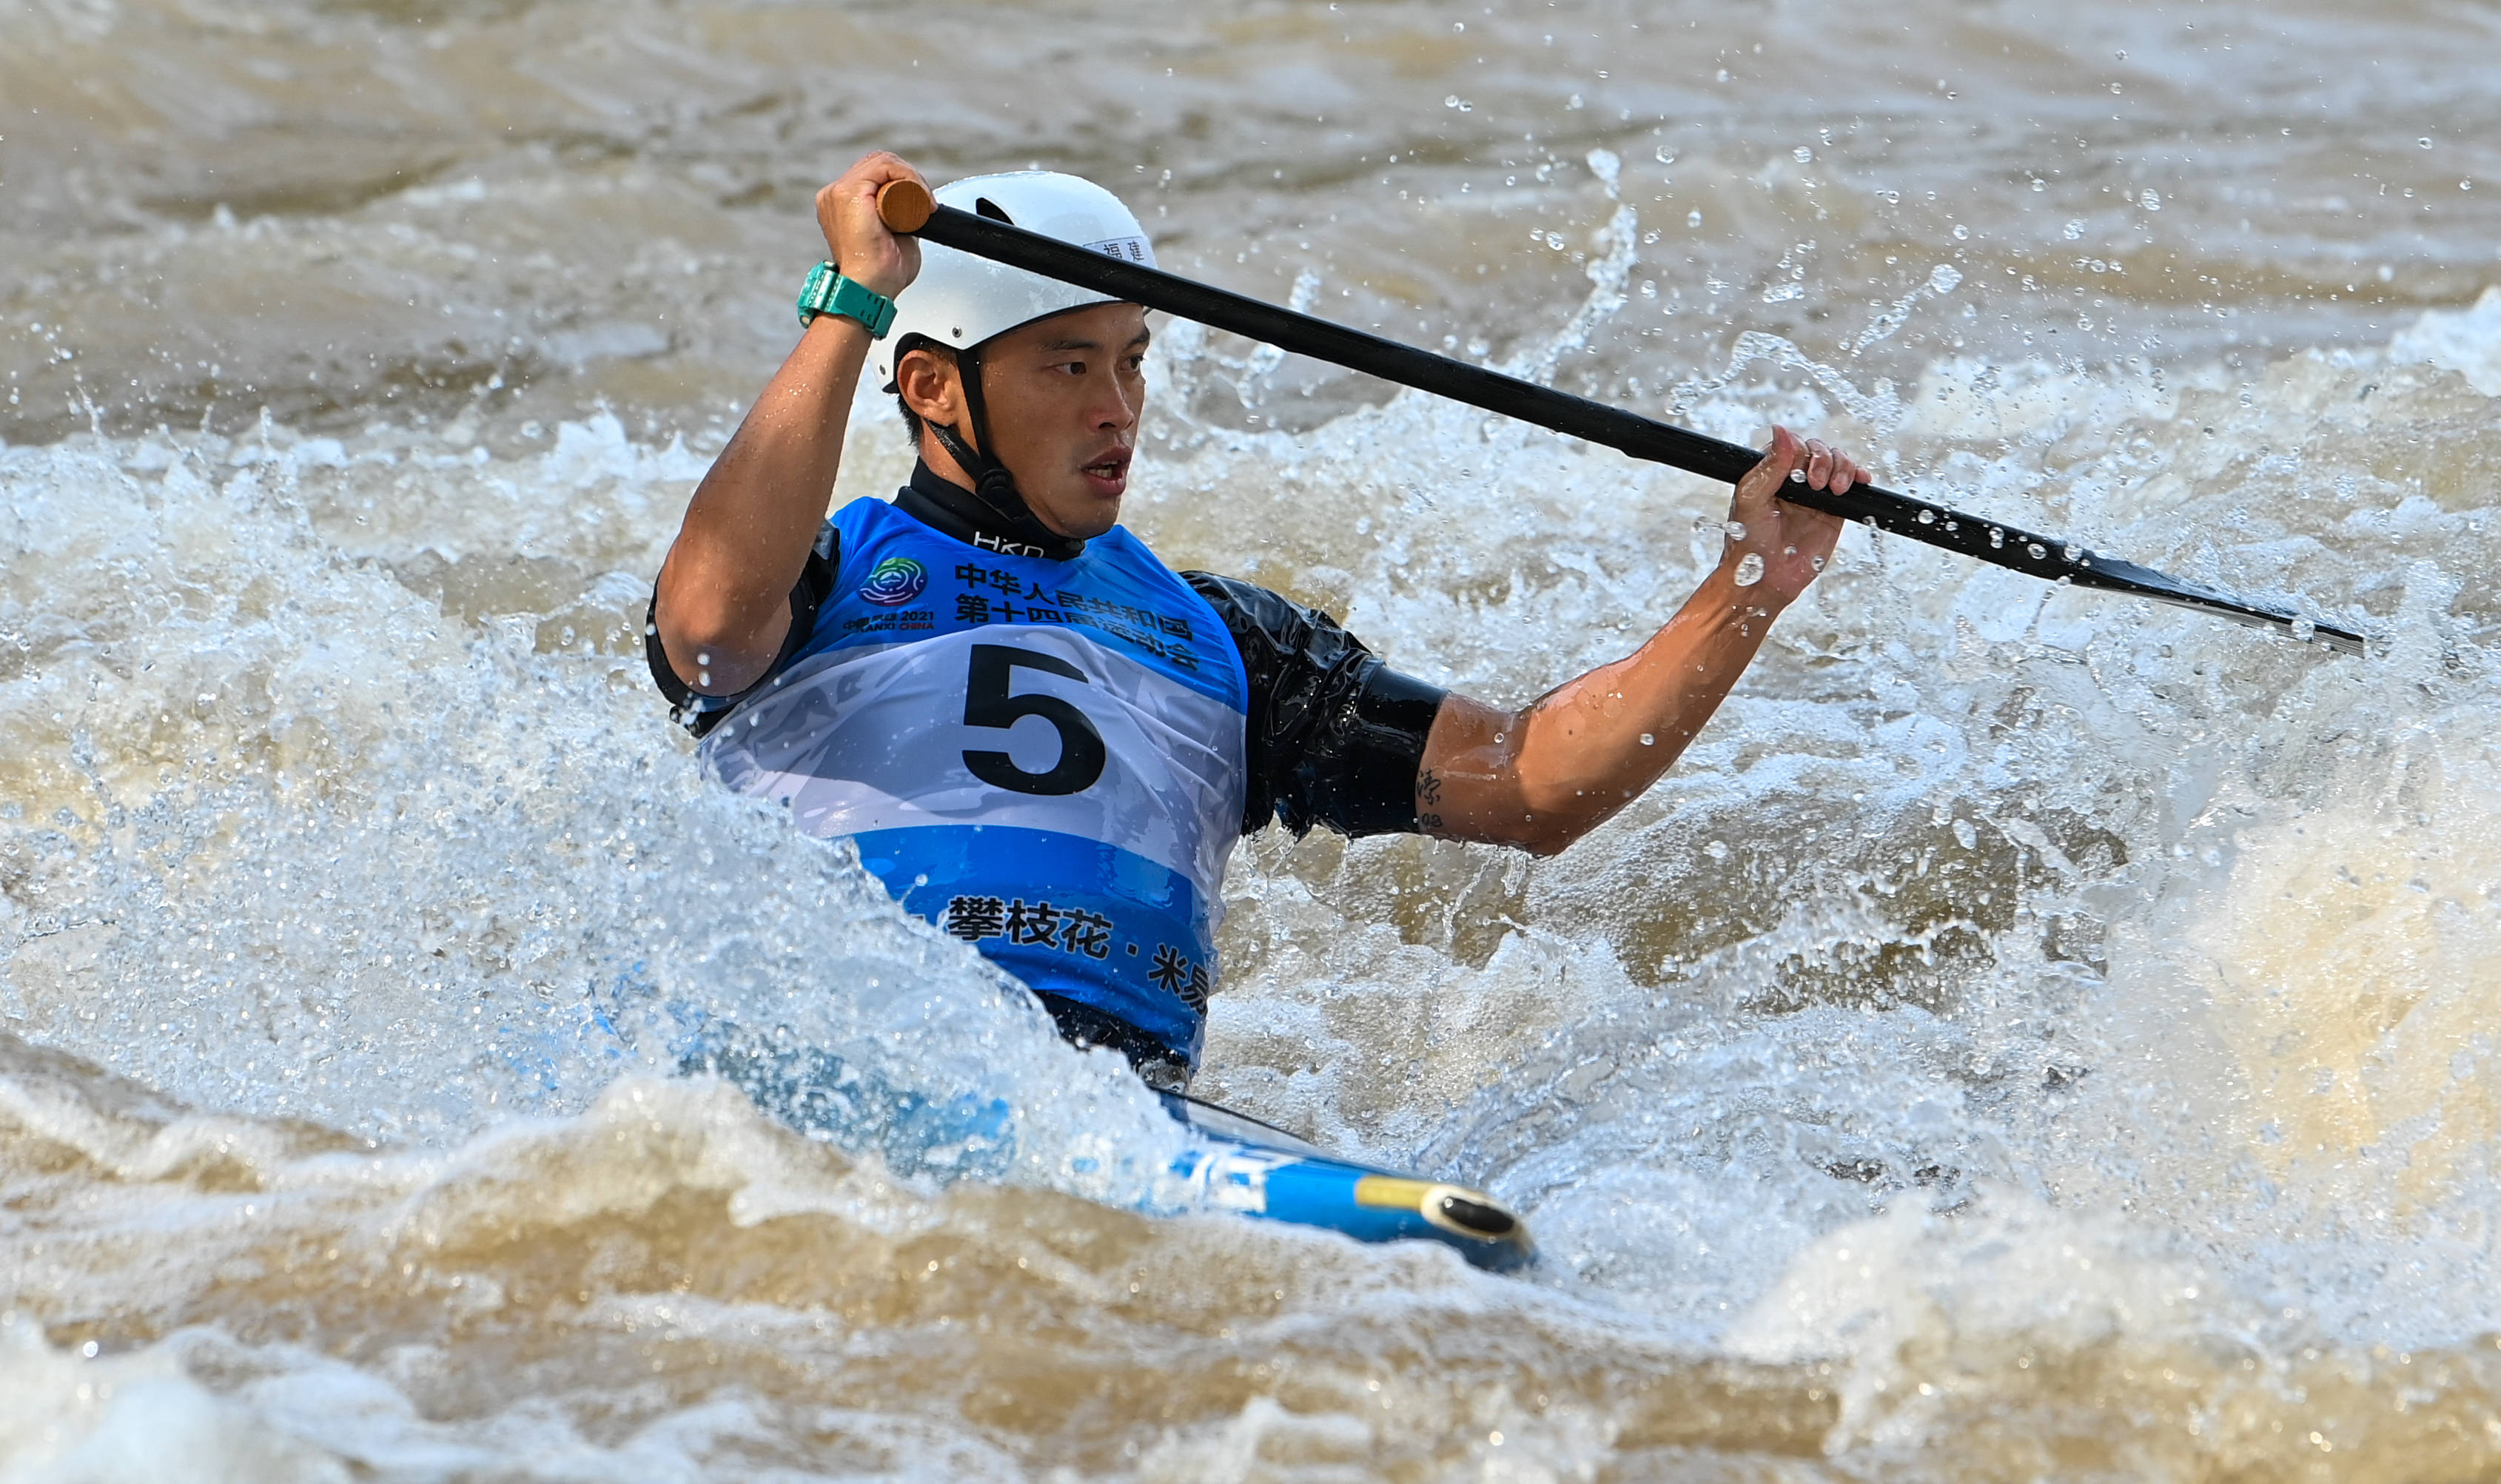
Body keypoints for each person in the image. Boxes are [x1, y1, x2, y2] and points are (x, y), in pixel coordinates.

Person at [648, 152, 1867, 1092]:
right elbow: (705, 629)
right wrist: (852, 298)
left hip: (1115, 1100)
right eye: (1067, 368)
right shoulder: (820, 576)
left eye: (1132, 361)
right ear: (931, 387)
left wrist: (1745, 588)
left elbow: (1537, 784)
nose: (1117, 408)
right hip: (829, 1063)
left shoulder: (1226, 645)